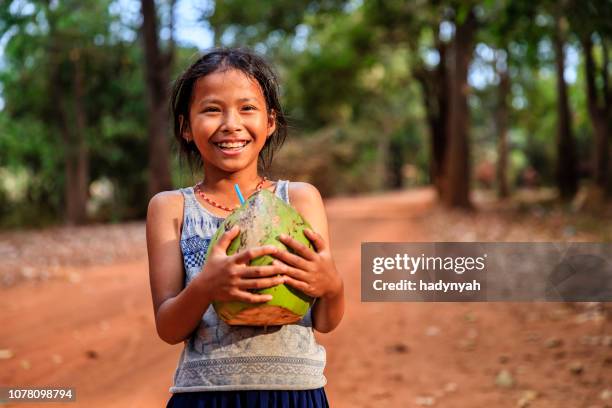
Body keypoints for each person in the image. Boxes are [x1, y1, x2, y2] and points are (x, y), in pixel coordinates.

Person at [146, 47, 345, 408]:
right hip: (205, 396)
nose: (230, 124)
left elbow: (325, 321)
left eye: (246, 108)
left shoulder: (299, 199)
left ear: (270, 123)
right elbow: (168, 328)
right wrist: (208, 284)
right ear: (185, 127)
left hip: (295, 394)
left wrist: (332, 286)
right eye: (211, 109)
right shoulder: (171, 208)